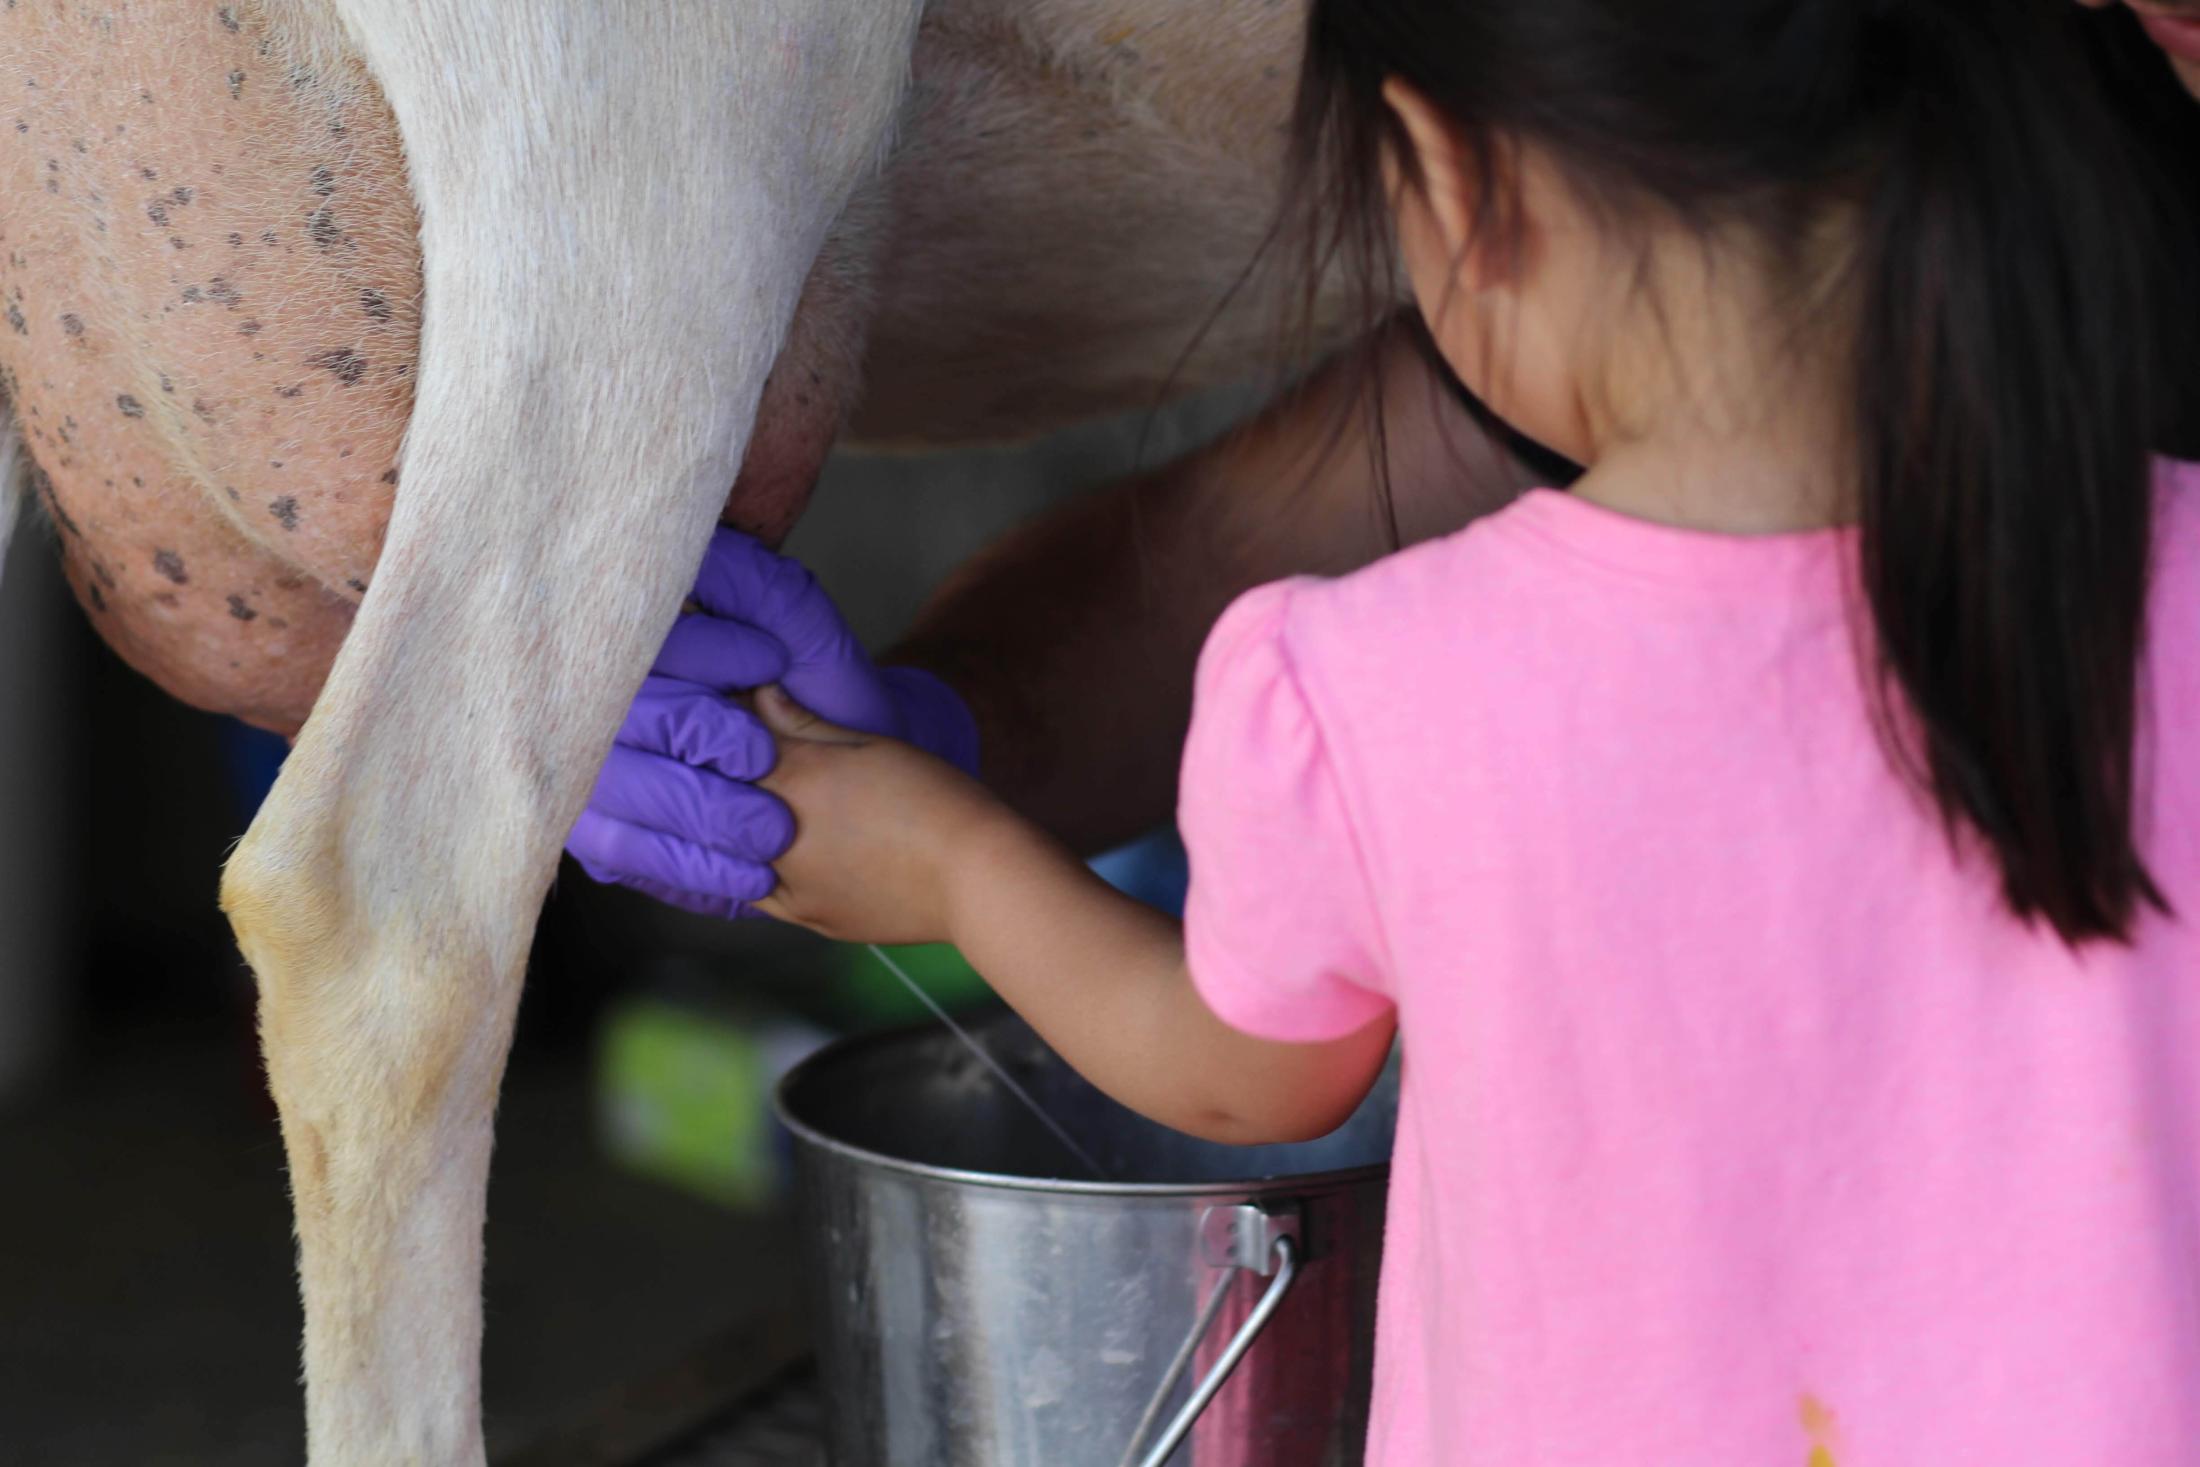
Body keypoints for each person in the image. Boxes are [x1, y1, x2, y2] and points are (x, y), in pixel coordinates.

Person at [589, 0, 2200, 1460]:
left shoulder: (1368, 679)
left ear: (1452, 180)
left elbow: (1241, 1082)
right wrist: (962, 722)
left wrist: (949, 867)